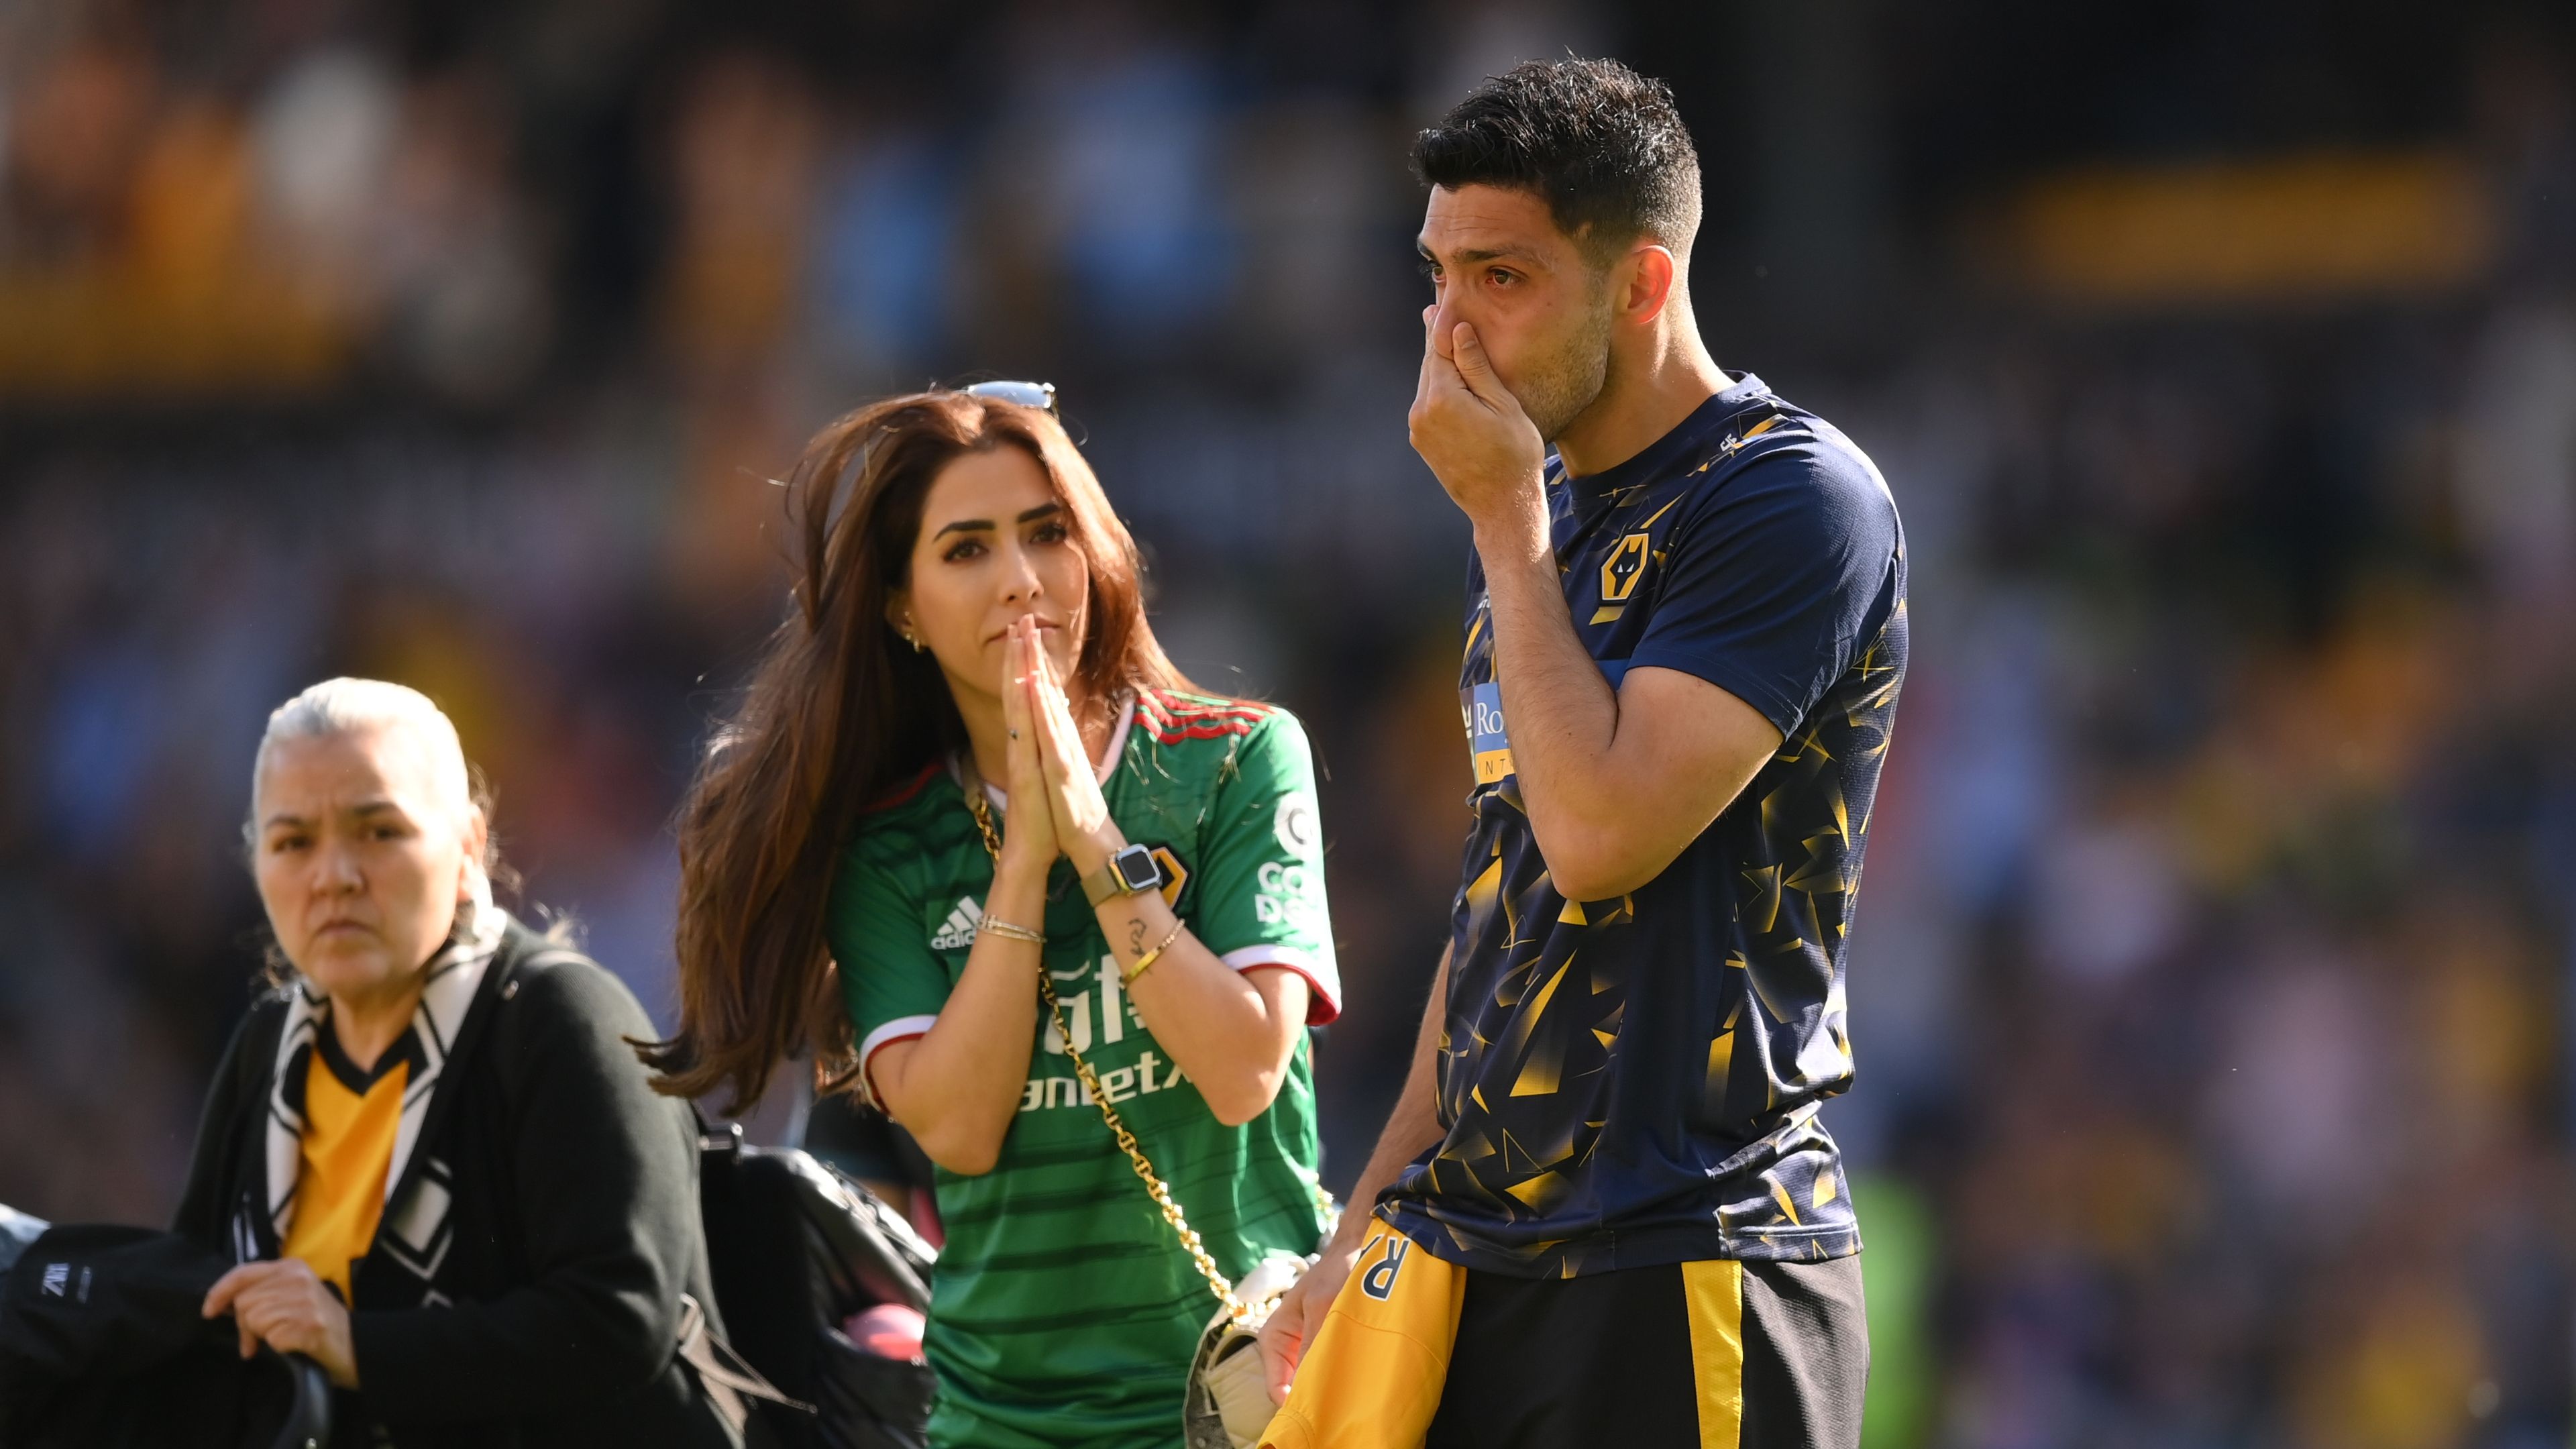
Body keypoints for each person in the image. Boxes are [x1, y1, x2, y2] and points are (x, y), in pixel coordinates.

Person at [1256, 59, 1905, 1449]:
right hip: (1487, 1263)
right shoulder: (1542, 514)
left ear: (1644, 284)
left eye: (1503, 278)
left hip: (1692, 1257)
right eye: (1438, 278)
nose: (1451, 333)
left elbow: (1602, 839)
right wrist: (1357, 1229)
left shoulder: (1790, 499)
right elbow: (1508, 910)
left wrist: (1503, 526)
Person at [645, 385, 1344, 1449]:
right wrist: (1023, 864)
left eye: (1046, 533)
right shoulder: (883, 844)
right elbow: (961, 1131)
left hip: (1251, 1399)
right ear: (901, 607)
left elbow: (1246, 1069)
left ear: (1097, 552)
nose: (1021, 581)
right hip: (1002, 1419)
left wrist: (1099, 848)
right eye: (966, 550)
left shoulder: (1239, 758)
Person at [174, 679, 738, 1448]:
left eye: (379, 832)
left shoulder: (559, 1022)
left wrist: (355, 1346)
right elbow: (189, 1303)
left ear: (470, 844)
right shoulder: (266, 1049)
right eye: (293, 842)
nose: (334, 874)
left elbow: (622, 1316)